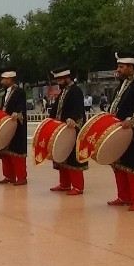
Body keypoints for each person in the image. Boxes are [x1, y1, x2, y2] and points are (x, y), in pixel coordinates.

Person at [108, 55, 134, 211]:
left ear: (132, 68)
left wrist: (132, 120)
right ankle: (123, 196)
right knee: (120, 164)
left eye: (122, 67)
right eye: (118, 66)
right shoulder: (121, 85)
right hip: (119, 131)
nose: (118, 70)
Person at [46, 67, 87, 195]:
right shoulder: (63, 91)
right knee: (62, 155)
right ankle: (64, 184)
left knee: (73, 158)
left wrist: (73, 120)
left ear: (67, 78)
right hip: (61, 129)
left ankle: (78, 186)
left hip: (72, 128)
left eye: (60, 79)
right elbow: (56, 109)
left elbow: (78, 109)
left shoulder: (76, 91)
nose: (58, 82)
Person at [0, 69, 28, 186]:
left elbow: (20, 107)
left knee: (16, 153)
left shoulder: (19, 92)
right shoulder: (6, 93)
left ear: (9, 79)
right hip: (6, 126)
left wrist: (17, 113)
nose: (2, 81)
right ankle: (9, 176)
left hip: (16, 126)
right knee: (6, 152)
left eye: (3, 79)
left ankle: (21, 177)